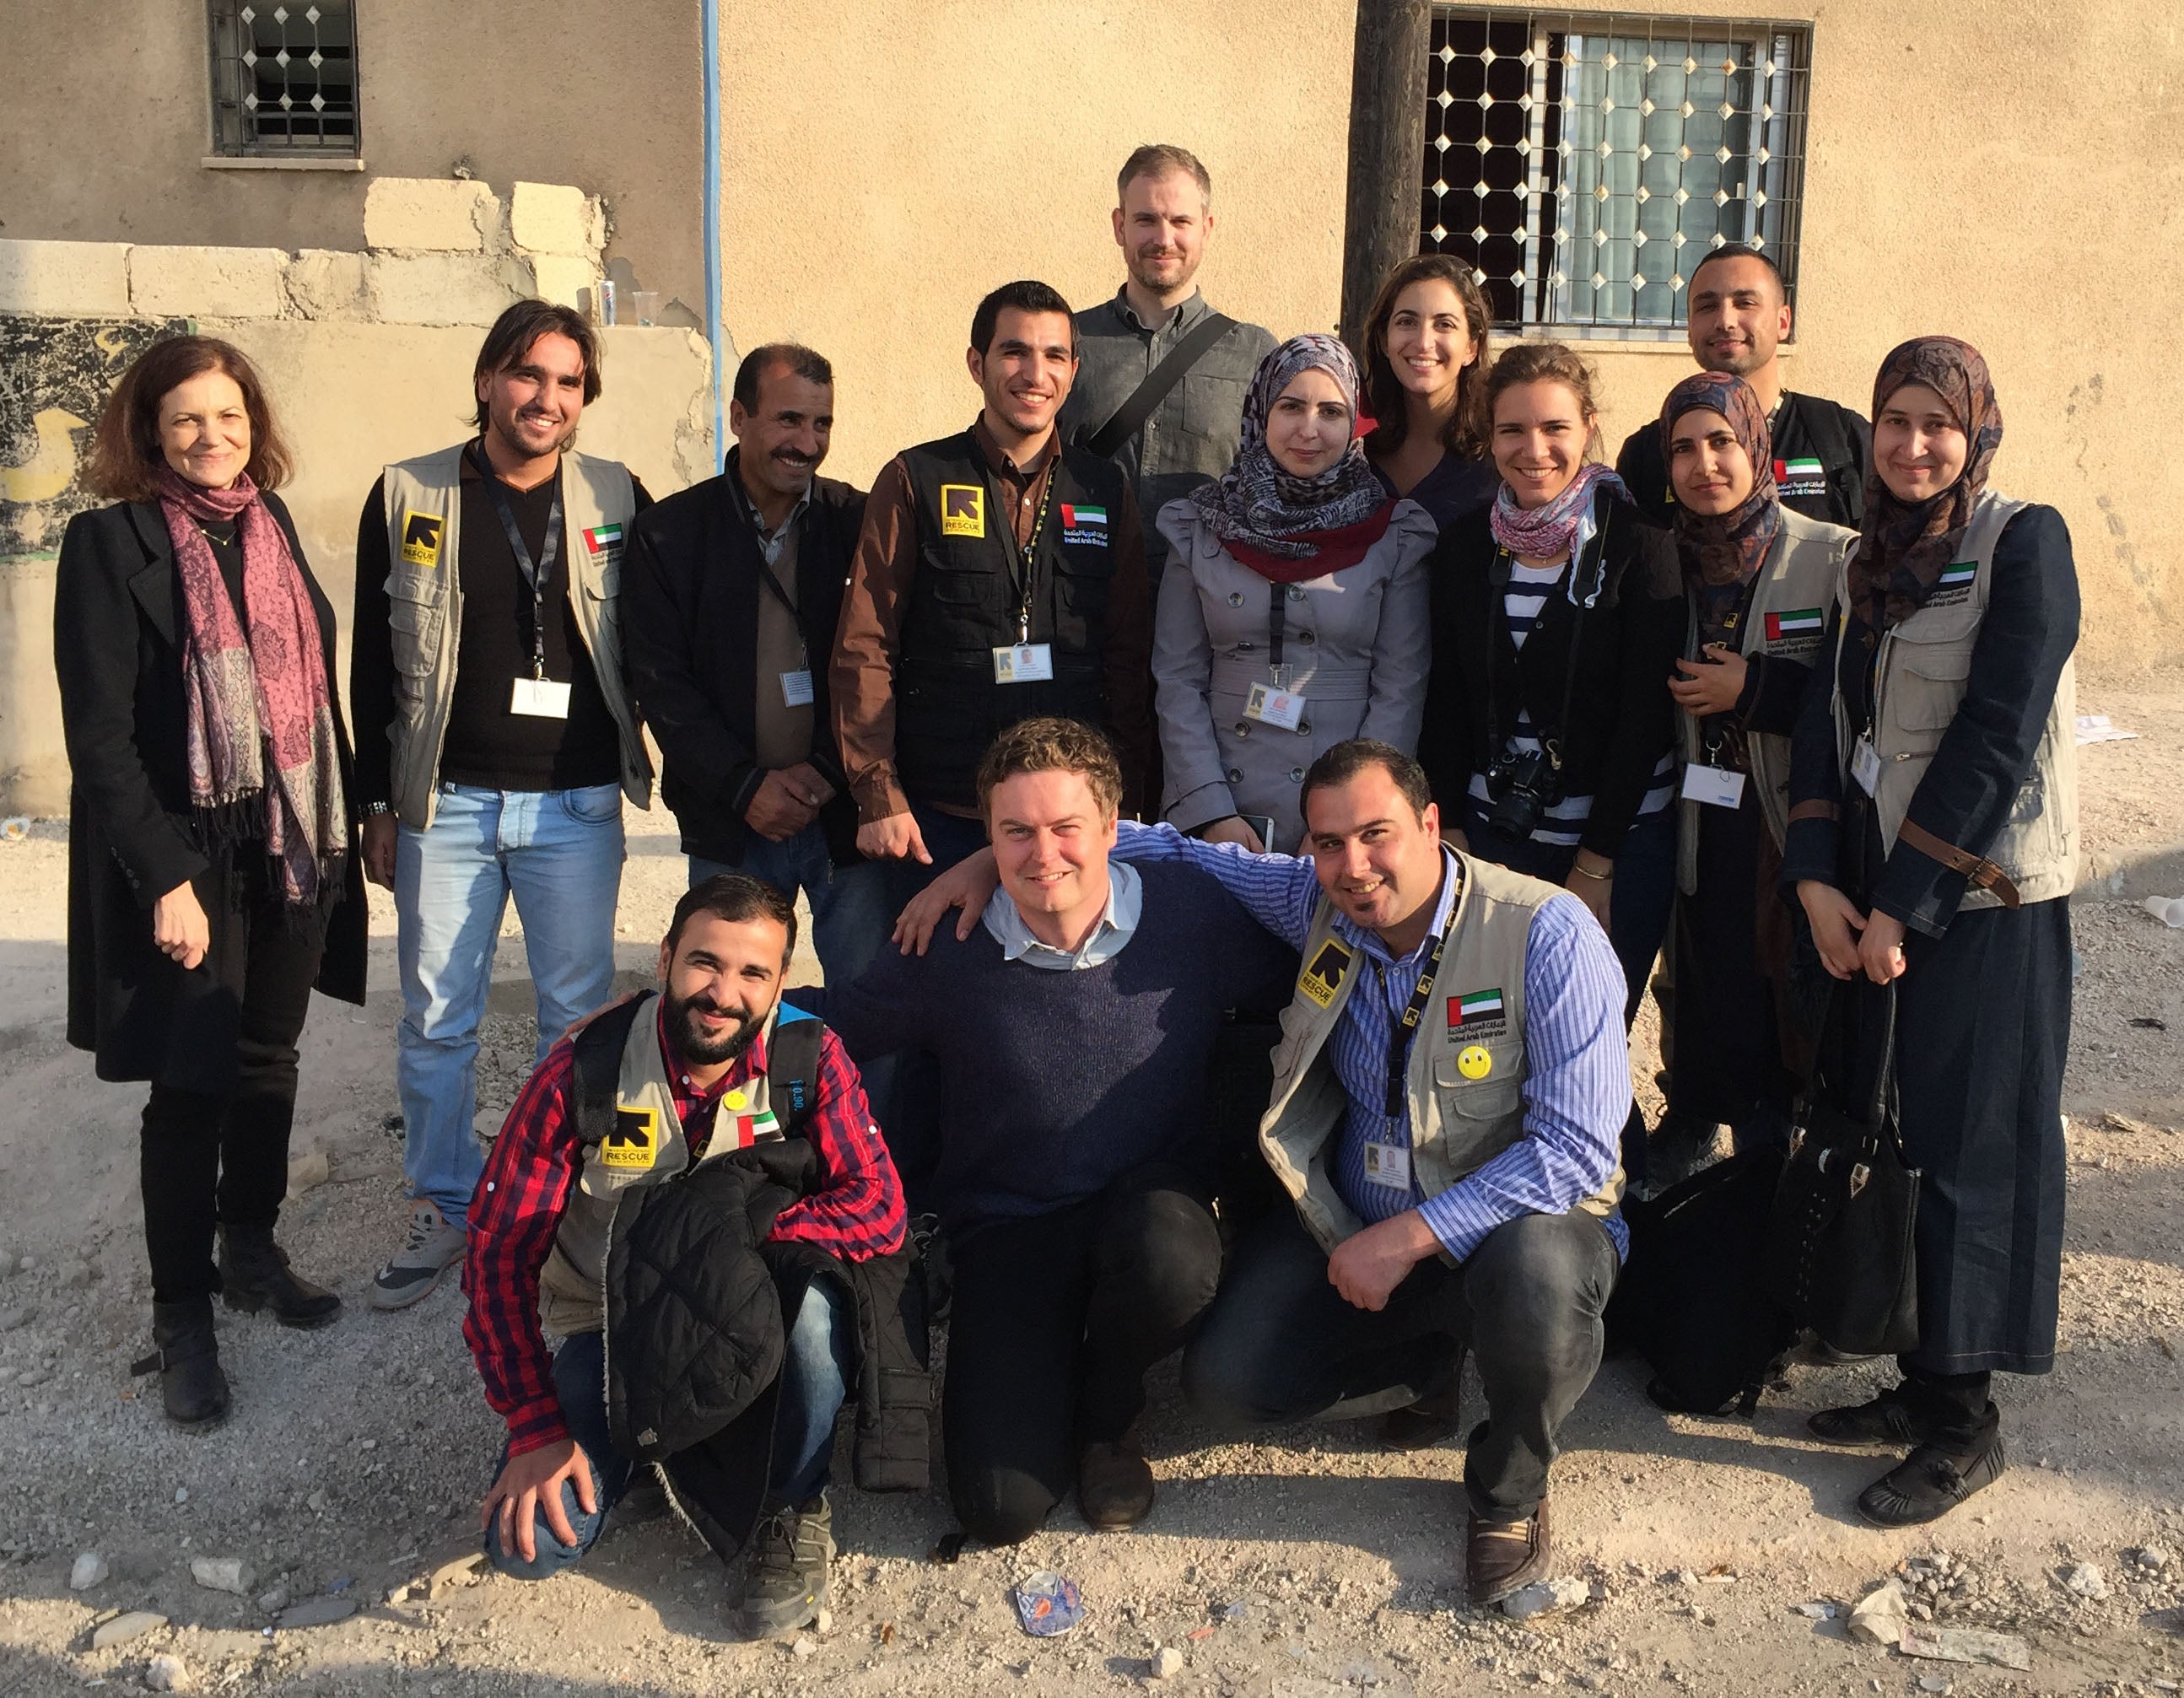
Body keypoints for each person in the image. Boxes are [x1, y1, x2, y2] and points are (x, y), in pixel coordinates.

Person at [914, 739, 1629, 1601]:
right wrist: (1002, 863)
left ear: (1432, 825)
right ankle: (1433, 1354)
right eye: (1329, 843)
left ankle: (1509, 1489)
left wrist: (1409, 1238)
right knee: (1229, 1387)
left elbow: (1576, 1150)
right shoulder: (1316, 900)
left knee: (1541, 1275)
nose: (1354, 867)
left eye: (1378, 835)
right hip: (1355, 1217)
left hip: (1508, 1233)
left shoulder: (1545, 933)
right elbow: (1164, 848)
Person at [799, 718, 1294, 1545]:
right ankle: (1044, 1364)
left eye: (1067, 828)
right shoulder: (946, 943)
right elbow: (838, 1026)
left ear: (1111, 828)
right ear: (987, 841)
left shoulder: (1192, 916)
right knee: (999, 1510)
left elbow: (1310, 981)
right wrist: (675, 1020)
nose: (1043, 854)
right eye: (1015, 833)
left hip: (1148, 1211)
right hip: (1009, 1226)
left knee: (1176, 1257)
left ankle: (1111, 1415)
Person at [1783, 337, 2078, 1528]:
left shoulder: (2024, 541)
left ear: (1977, 429)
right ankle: (1919, 1377)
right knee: (1898, 1138)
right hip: (1868, 903)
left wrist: (1907, 902)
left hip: (1982, 906)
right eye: (1893, 421)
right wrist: (1815, 882)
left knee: (1971, 1151)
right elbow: (1824, 719)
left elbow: (1997, 737)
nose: (1912, 446)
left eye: (1935, 424)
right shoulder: (1869, 559)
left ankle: (1966, 1420)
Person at [465, 873, 915, 1638]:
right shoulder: (583, 1072)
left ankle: (793, 1501)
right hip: (615, 1321)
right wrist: (534, 1426)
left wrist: (751, 1246)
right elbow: (496, 1258)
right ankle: (648, 1452)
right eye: (705, 962)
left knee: (816, 1313)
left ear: (779, 983)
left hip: (753, 1310)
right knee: (533, 1546)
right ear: (666, 956)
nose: (723, 993)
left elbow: (881, 1206)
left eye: (752, 974)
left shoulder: (808, 1057)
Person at [54, 336, 366, 1426]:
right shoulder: (108, 542)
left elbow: (312, 697)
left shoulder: (270, 525)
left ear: (253, 424)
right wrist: (165, 878)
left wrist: (350, 818)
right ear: (149, 430)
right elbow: (98, 736)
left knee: (268, 1058)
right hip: (189, 852)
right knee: (190, 1084)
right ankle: (181, 1314)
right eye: (186, 419)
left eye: (228, 417)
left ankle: (252, 1249)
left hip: (288, 842)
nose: (210, 437)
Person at [350, 299, 655, 1313]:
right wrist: (375, 805)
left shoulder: (615, 493)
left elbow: (652, 640)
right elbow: (368, 663)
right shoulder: (410, 491)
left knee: (573, 1019)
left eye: (569, 383)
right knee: (440, 1017)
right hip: (449, 803)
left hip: (574, 806)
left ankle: (559, 1206)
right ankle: (451, 1206)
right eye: (529, 375)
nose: (547, 399)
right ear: (488, 379)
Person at [1416, 342, 1684, 1026]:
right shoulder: (1462, 546)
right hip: (1490, 832)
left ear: (1588, 426)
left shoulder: (1641, 548)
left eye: (1554, 428)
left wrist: (1595, 862)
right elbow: (1445, 696)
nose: (1533, 449)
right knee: (1490, 1029)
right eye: (1512, 430)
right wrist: (1449, 825)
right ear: (1488, 435)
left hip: (1616, 843)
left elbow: (1642, 719)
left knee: (1586, 1031)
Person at [623, 342, 886, 983]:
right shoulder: (670, 534)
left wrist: (828, 769)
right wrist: (745, 787)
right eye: (789, 420)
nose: (808, 441)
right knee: (724, 1006)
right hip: (730, 823)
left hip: (841, 818)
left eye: (821, 423)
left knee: (872, 1007)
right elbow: (662, 685)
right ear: (739, 416)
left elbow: (885, 660)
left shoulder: (859, 524)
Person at [1650, 373, 1856, 1182]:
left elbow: (1856, 695)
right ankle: (1715, 1155)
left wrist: (1756, 690)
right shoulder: (1664, 557)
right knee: (1710, 991)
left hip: (1788, 822)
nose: (1705, 464)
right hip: (1701, 821)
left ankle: (1796, 1173)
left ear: (1756, 446)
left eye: (1722, 442)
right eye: (1684, 448)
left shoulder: (1827, 555)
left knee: (1792, 1002)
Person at [1152, 334, 1433, 854]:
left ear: (1353, 426)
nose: (1309, 429)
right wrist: (1211, 810)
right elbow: (1177, 679)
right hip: (1223, 814)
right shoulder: (1202, 524)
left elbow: (1401, 687)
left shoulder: (1393, 533)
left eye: (1331, 411)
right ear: (1261, 413)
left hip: (1340, 819)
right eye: (1290, 407)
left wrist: (1348, 825)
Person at [1058, 143, 1277, 590]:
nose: (1163, 238)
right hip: (1083, 600)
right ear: (1120, 226)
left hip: (1212, 608)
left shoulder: (1256, 353)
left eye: (1180, 221)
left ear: (1207, 229)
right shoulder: (1066, 343)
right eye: (1146, 220)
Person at [1615, 244, 1869, 528]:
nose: (1725, 321)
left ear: (1783, 321)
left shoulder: (1843, 437)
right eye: (1707, 306)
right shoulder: (1646, 454)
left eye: (1745, 303)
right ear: (1689, 328)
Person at [1356, 253, 1499, 531]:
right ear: (1384, 340)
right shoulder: (1354, 448)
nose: (1423, 342)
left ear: (1472, 347)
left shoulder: (1499, 452)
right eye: (1407, 322)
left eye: (1444, 324)